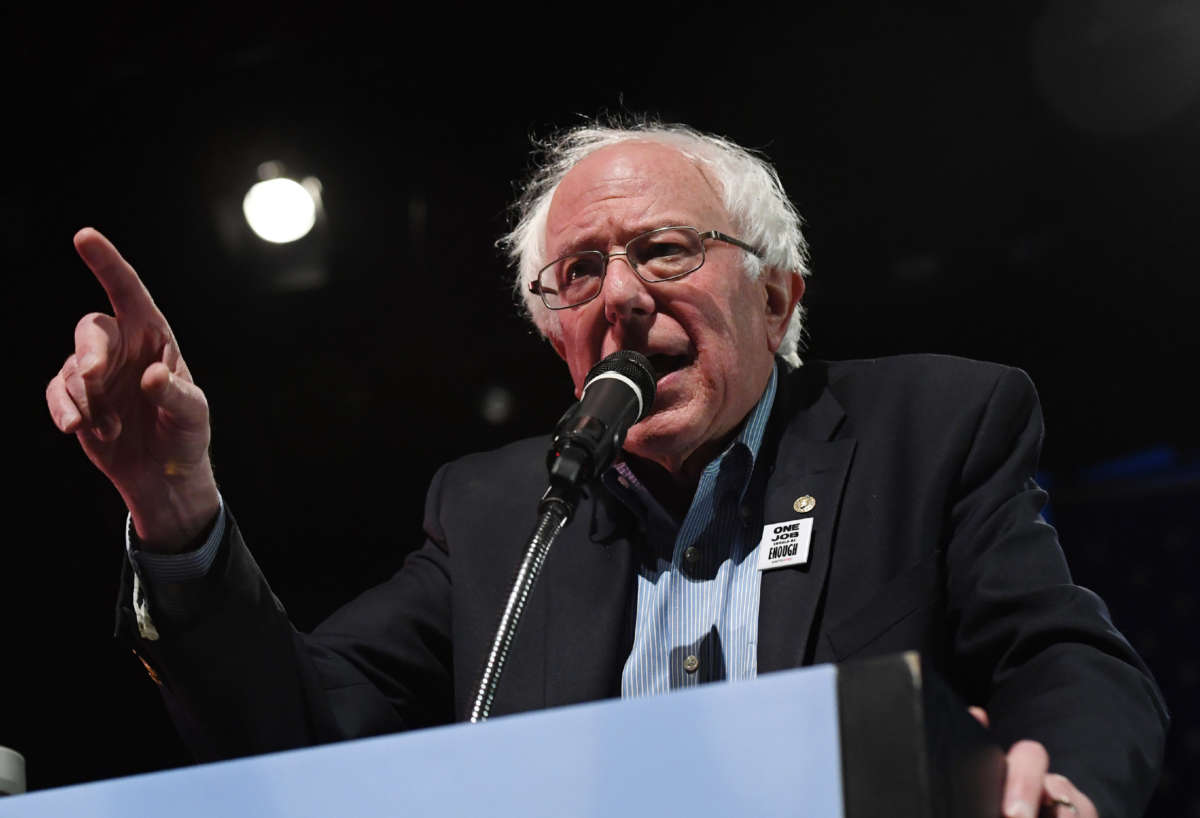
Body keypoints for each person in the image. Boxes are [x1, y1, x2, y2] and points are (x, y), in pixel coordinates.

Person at [46, 121, 1166, 818]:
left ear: (777, 296)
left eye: (664, 249)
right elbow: (297, 734)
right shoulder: (497, 511)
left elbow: (1061, 652)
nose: (622, 295)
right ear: (556, 337)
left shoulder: (933, 425)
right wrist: (173, 501)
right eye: (578, 272)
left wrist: (1059, 779)